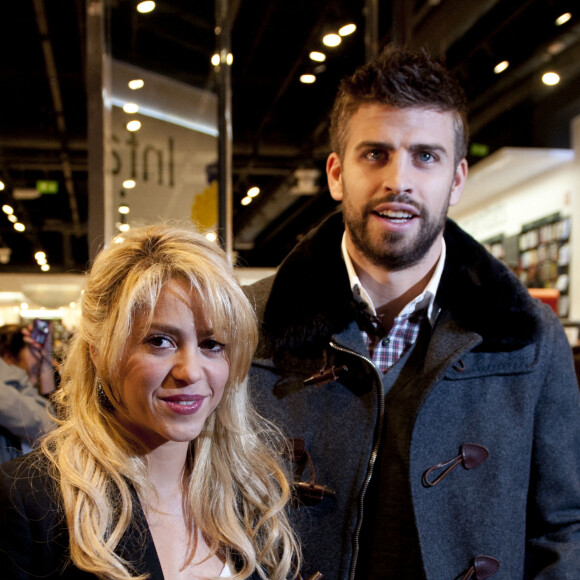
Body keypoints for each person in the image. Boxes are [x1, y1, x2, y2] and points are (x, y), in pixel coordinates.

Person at [245, 45, 580, 579]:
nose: (398, 180)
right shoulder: (251, 326)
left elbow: (563, 528)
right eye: (375, 153)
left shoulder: (527, 339)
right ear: (336, 173)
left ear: (457, 179)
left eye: (425, 156)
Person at [0, 224, 300, 579]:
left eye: (212, 344)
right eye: (159, 341)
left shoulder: (251, 496)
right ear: (100, 352)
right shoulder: (32, 501)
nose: (190, 371)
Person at [0, 323, 55, 462]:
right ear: (8, 356)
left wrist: (46, 361)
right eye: (31, 349)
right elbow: (45, 426)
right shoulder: (10, 389)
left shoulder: (22, 386)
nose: (37, 355)